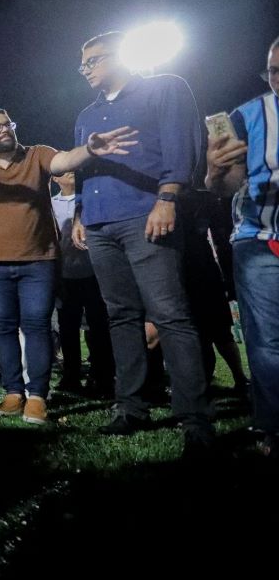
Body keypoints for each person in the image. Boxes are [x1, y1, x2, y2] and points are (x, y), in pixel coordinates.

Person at [0, 106, 135, 424]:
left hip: (39, 261)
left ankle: (37, 396)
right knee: (3, 329)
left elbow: (65, 161)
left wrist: (89, 150)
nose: (4, 129)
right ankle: (13, 392)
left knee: (37, 327)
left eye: (8, 124)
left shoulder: (37, 155)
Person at [70, 31, 215, 455]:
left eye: (93, 61)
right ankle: (131, 406)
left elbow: (182, 146)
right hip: (100, 224)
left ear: (120, 57)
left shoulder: (163, 88)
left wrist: (167, 199)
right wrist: (80, 213)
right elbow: (83, 169)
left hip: (145, 214)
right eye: (83, 65)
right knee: (120, 316)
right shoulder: (85, 116)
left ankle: (195, 416)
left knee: (170, 314)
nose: (87, 70)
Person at [205, 33, 279, 458]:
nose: (277, 79)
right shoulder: (248, 115)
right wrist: (216, 171)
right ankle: (272, 428)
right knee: (267, 341)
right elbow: (223, 186)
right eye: (272, 71)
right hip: (261, 237)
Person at [50, 172, 114, 394]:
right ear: (55, 179)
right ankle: (71, 376)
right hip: (66, 276)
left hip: (94, 273)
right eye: (63, 172)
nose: (70, 174)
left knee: (99, 327)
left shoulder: (90, 199)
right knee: (68, 329)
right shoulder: (51, 205)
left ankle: (103, 376)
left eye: (72, 170)